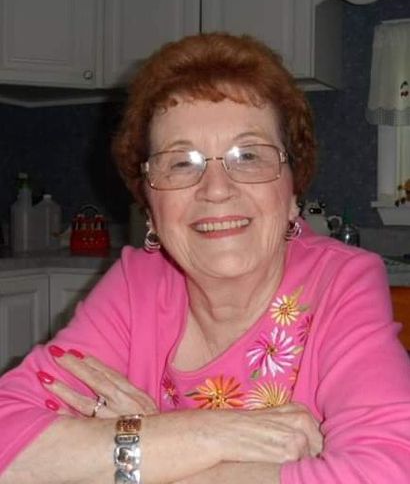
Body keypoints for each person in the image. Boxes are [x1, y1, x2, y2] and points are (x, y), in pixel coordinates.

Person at [0, 32, 410, 484]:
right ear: (150, 205)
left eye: (248, 155)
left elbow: (389, 472)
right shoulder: (138, 283)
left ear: (293, 191)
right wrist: (205, 434)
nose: (216, 189)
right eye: (181, 162)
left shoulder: (341, 282)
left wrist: (133, 459)